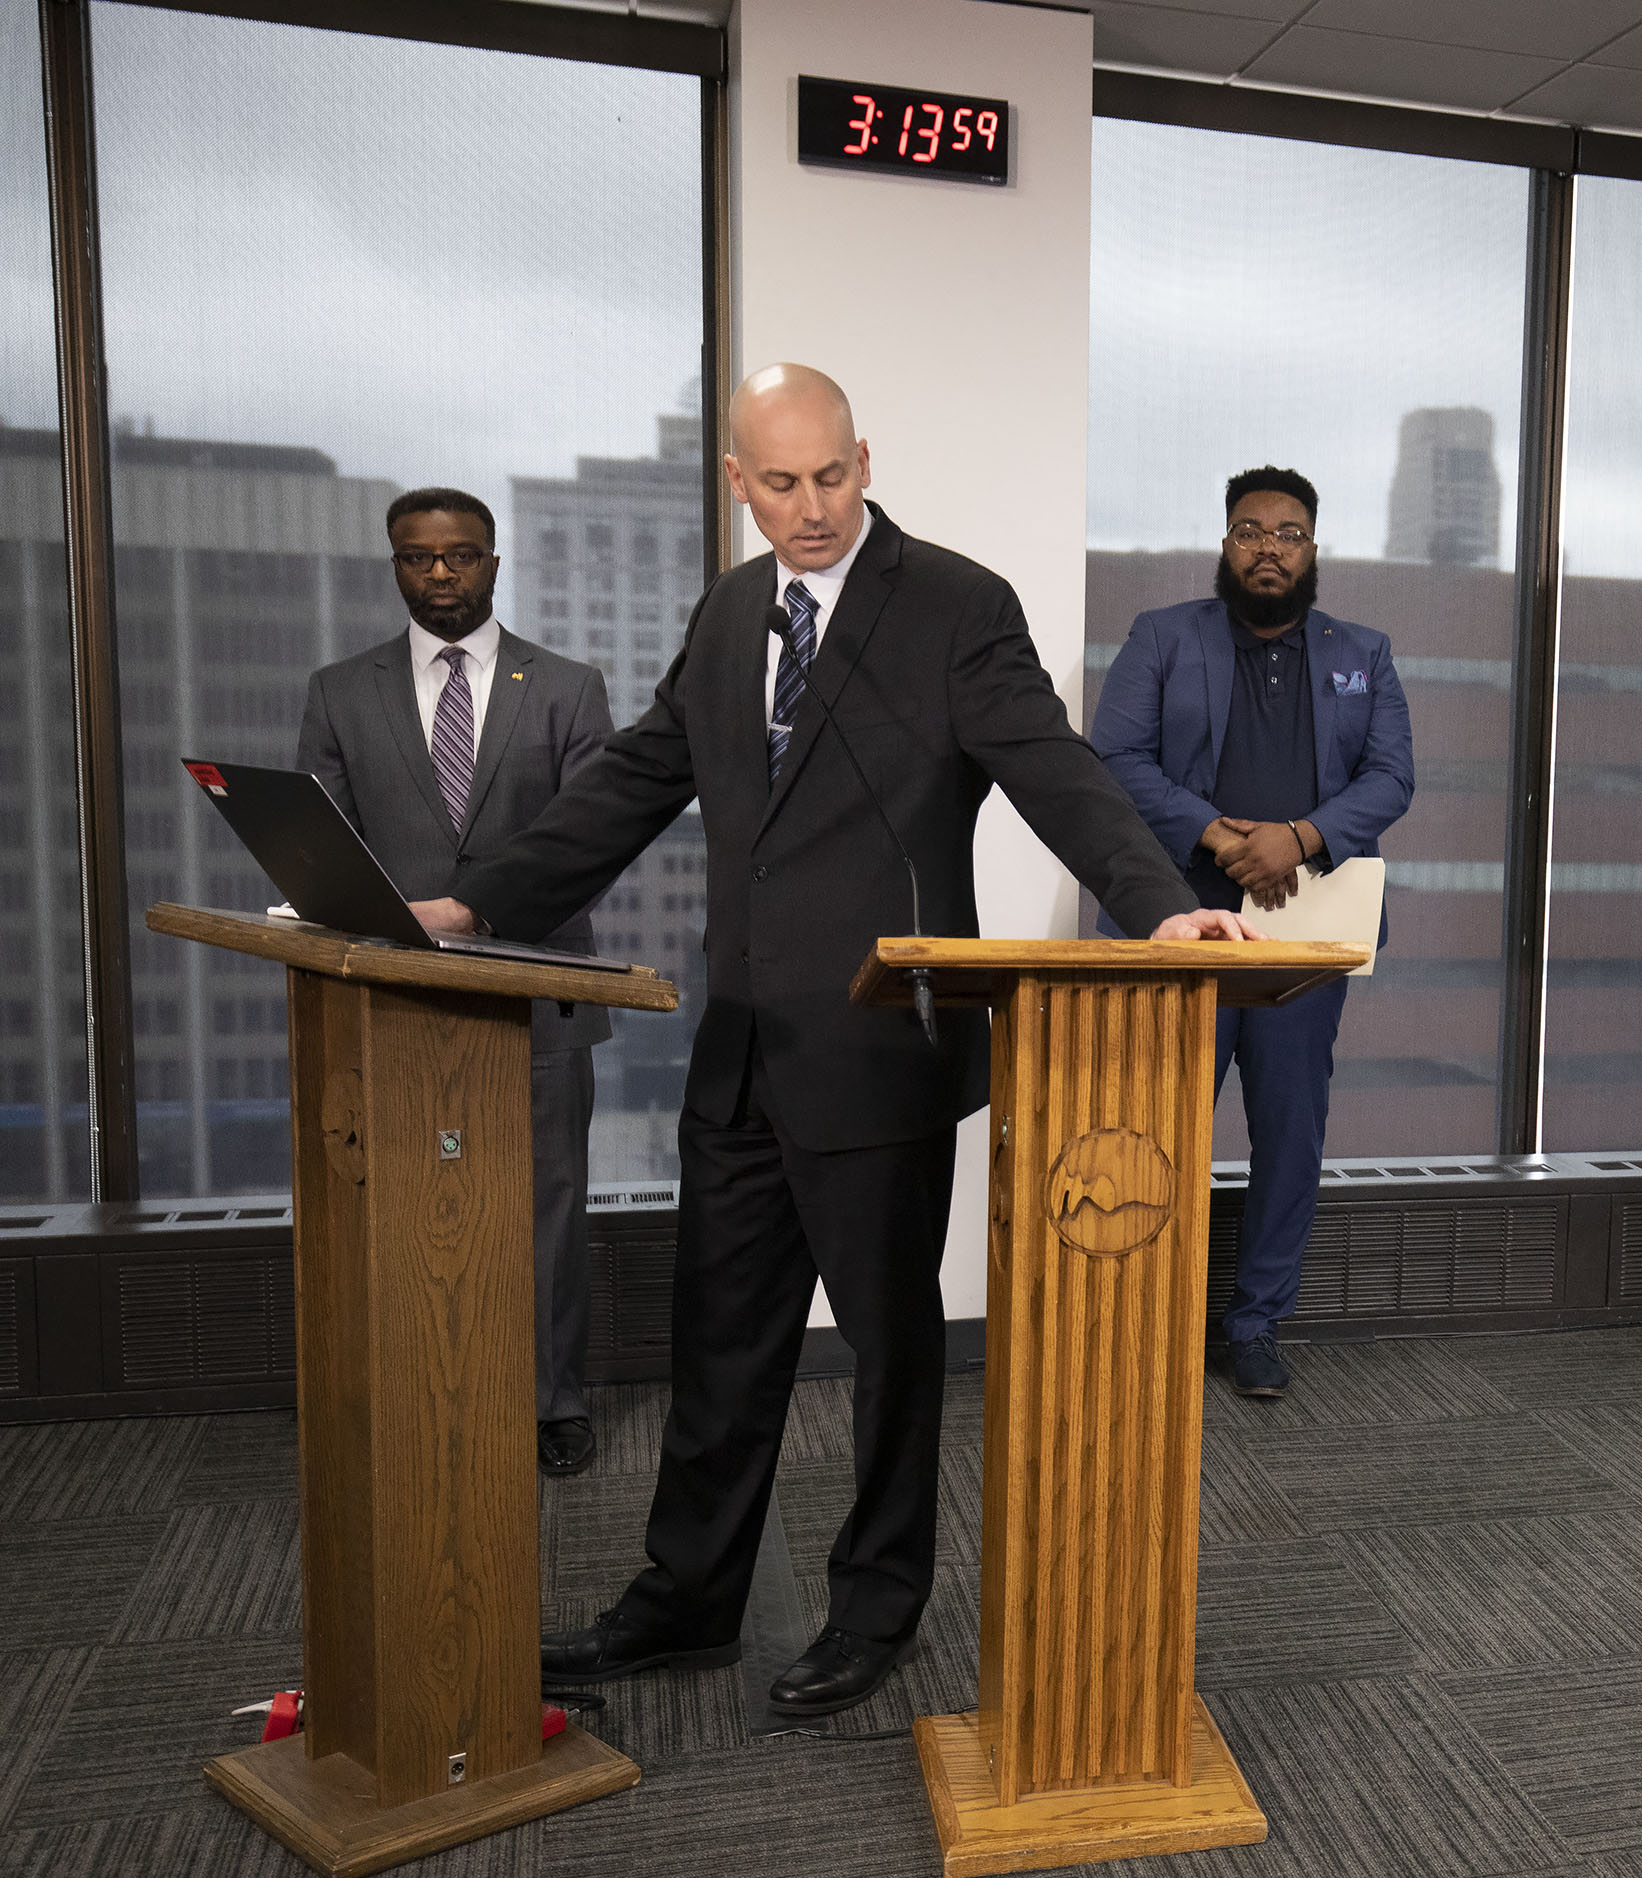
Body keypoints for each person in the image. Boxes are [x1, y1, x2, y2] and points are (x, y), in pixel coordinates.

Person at [413, 365, 1253, 1718]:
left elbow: (1055, 767)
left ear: (865, 458)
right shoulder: (734, 608)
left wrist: (1160, 910)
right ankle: (685, 1601)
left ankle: (876, 1608)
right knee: (722, 1348)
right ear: (738, 484)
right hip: (740, 1046)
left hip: (878, 1048)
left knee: (888, 1352)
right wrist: (477, 900)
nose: (813, 510)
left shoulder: (955, 606)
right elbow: (636, 775)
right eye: (782, 484)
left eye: (834, 477)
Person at [296, 487, 615, 1478]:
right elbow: (322, 848)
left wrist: (478, 910)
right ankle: (411, 1384)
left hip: (539, 986)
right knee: (401, 1200)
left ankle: (552, 1399)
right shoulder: (339, 690)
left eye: (462, 555)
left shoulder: (566, 685)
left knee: (548, 1204)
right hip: (391, 998)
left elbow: (591, 840)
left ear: (493, 562)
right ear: (395, 563)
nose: (441, 573)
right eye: (419, 557)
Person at [1089, 468, 1412, 1399]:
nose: (1269, 547)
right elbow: (1112, 759)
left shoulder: (1366, 652)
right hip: (1179, 923)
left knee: (1289, 1132)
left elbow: (1391, 777)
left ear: (1314, 549)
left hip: (1304, 939)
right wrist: (1218, 831)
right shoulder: (1163, 637)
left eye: (1289, 533)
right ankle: (1146, 1319)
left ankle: (1257, 1321)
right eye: (1249, 531)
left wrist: (1299, 839)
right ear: (1224, 544)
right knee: (1152, 1132)